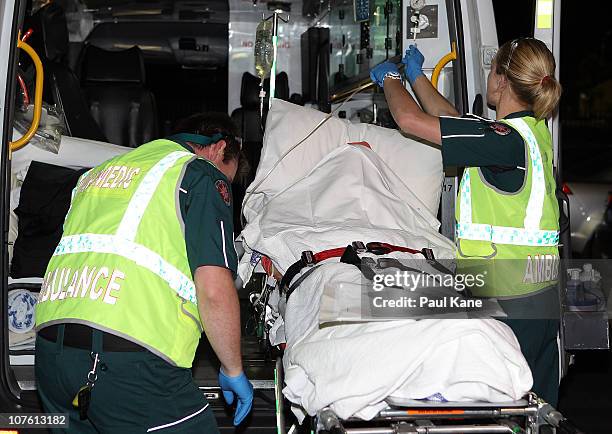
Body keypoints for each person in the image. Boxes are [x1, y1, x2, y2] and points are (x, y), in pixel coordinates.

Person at [370, 38, 563, 406]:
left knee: (503, 407)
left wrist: (392, 80)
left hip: (507, 301)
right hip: (540, 295)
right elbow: (459, 123)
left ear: (502, 81)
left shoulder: (503, 140)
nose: (488, 76)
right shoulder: (531, 132)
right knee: (539, 407)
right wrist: (418, 79)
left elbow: (410, 122)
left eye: (492, 69)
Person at [34, 112, 253, 432]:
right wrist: (233, 368)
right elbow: (213, 287)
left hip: (52, 356)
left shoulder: (99, 172)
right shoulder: (200, 173)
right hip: (127, 362)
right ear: (219, 150)